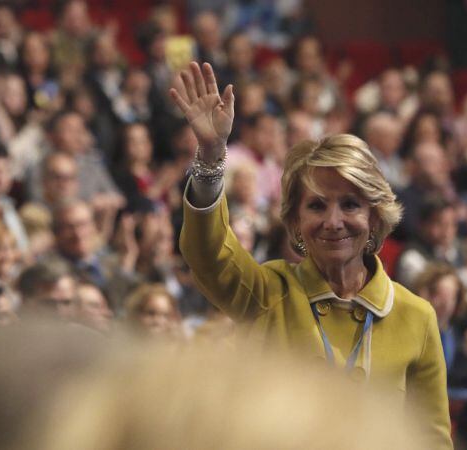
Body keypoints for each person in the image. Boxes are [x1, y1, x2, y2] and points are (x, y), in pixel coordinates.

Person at [170, 62, 451, 448]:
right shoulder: (269, 293)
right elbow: (208, 253)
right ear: (296, 221)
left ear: (375, 216)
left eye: (350, 204)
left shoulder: (416, 317)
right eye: (317, 206)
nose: (333, 222)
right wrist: (212, 155)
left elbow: (431, 440)